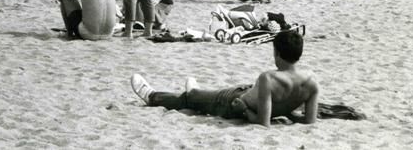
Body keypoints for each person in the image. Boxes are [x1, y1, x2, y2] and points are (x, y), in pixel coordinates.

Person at [131, 29, 318, 126]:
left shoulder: (269, 78)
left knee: (189, 99)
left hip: (233, 104)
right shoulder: (311, 81)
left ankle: (153, 97)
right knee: (210, 94)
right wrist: (287, 113)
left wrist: (245, 110)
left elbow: (263, 123)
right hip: (246, 92)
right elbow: (309, 121)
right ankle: (197, 92)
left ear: (276, 53)